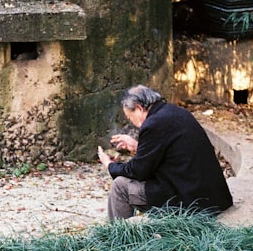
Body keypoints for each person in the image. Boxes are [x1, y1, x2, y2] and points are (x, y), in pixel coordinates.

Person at [97, 85, 233, 220]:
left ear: (138, 108)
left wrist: (110, 165)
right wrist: (138, 146)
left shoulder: (153, 125)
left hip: (192, 201)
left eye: (129, 117)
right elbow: (169, 154)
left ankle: (118, 237)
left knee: (120, 186)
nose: (131, 121)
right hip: (212, 195)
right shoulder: (173, 111)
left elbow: (138, 171)